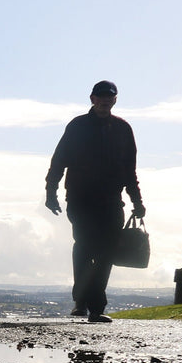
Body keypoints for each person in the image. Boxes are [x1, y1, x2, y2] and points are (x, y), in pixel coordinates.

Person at [45, 80, 145, 323]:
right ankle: (84, 301)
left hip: (112, 200)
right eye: (100, 97)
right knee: (85, 246)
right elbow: (59, 160)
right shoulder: (77, 126)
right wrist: (51, 192)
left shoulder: (123, 129)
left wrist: (137, 201)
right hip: (81, 198)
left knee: (107, 251)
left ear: (115, 100)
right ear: (92, 99)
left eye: (109, 97)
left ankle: (94, 307)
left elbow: (129, 169)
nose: (104, 101)